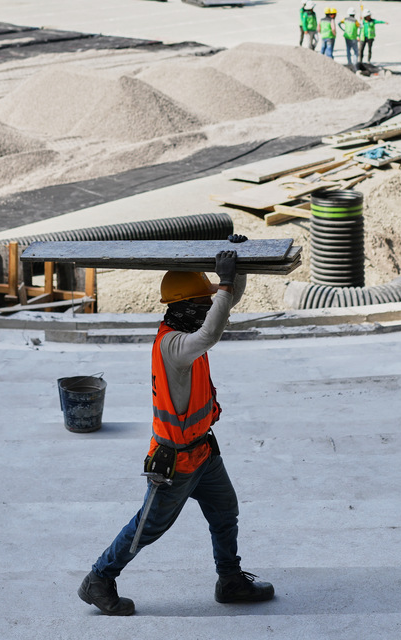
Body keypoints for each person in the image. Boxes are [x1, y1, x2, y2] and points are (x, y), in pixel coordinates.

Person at [79, 250, 274, 616]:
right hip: (175, 461)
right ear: (186, 306)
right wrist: (228, 281)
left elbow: (222, 308)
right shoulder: (174, 346)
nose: (209, 305)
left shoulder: (188, 328)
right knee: (148, 526)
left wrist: (238, 269)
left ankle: (229, 579)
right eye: (203, 300)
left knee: (224, 510)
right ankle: (99, 579)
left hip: (202, 451)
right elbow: (213, 328)